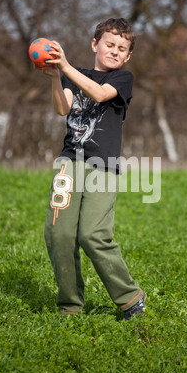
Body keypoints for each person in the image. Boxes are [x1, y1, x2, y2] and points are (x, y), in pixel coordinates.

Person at [39, 18, 146, 320]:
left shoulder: (123, 78)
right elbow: (63, 108)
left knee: (93, 235)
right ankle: (70, 306)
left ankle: (130, 297)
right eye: (109, 44)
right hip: (69, 162)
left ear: (127, 56)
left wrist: (65, 66)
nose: (114, 51)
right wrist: (53, 77)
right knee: (59, 234)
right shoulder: (73, 76)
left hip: (103, 166)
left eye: (121, 48)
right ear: (95, 44)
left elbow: (100, 94)